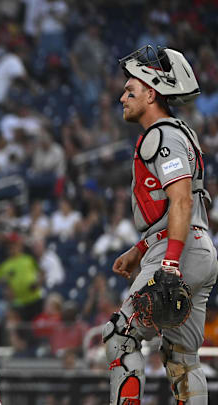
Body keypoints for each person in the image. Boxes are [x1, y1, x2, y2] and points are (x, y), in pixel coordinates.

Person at [105, 46, 217, 405]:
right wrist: (140, 249)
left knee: (119, 336)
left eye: (130, 91)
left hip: (177, 255)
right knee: (182, 357)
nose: (122, 97)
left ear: (152, 93)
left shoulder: (161, 136)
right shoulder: (180, 132)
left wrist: (168, 263)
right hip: (197, 248)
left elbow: (181, 200)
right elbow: (183, 204)